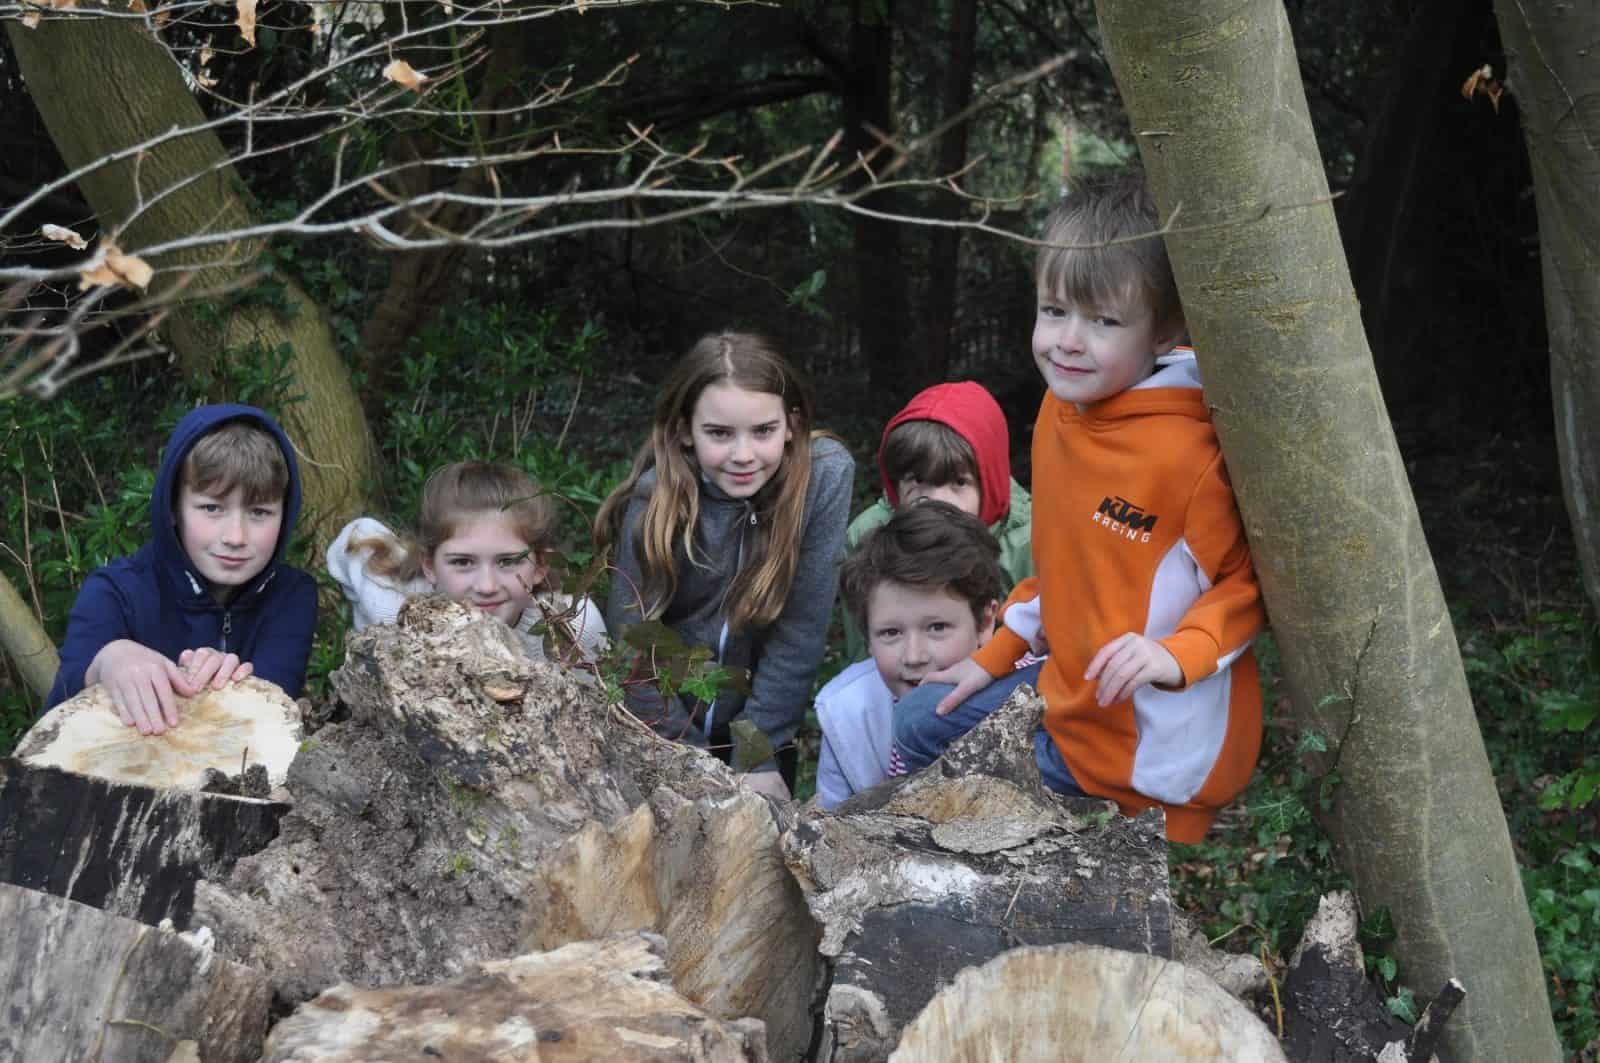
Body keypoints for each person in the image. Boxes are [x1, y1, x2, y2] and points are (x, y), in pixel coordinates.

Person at [892, 174, 1266, 843]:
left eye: (1104, 321)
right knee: (917, 722)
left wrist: (1173, 654)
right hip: (1067, 697)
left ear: (1166, 330)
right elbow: (1065, 570)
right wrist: (997, 651)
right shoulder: (1059, 408)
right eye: (1055, 310)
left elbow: (1245, 585)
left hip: (1145, 754)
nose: (1067, 340)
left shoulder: (1194, 453)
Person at [596, 331, 855, 802]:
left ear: (792, 424)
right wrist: (685, 760)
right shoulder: (656, 498)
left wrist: (756, 753)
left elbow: (800, 632)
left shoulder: (823, 477)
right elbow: (632, 639)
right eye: (718, 433)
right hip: (662, 731)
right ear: (683, 430)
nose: (742, 455)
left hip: (765, 733)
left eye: (763, 431)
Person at [46, 404, 318, 735]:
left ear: (285, 515)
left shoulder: (292, 596)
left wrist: (233, 688)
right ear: (173, 507)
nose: (235, 537)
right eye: (211, 508)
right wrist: (107, 661)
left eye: (259, 512)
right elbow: (58, 710)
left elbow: (272, 718)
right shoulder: (113, 592)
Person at [815, 501, 1006, 810]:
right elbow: (828, 823)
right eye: (890, 633)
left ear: (985, 623)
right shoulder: (845, 712)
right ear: (867, 636)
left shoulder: (1028, 698)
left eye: (937, 627)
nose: (914, 656)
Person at [327, 461, 607, 665]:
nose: (486, 586)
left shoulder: (574, 624)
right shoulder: (398, 604)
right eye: (462, 562)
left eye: (508, 561)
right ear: (429, 565)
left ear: (540, 567)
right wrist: (393, 617)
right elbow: (356, 538)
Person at [841, 381, 1033, 661]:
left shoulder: (1032, 541)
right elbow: (865, 655)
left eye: (958, 482)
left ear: (988, 483)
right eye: (917, 481)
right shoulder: (868, 534)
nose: (936, 501)